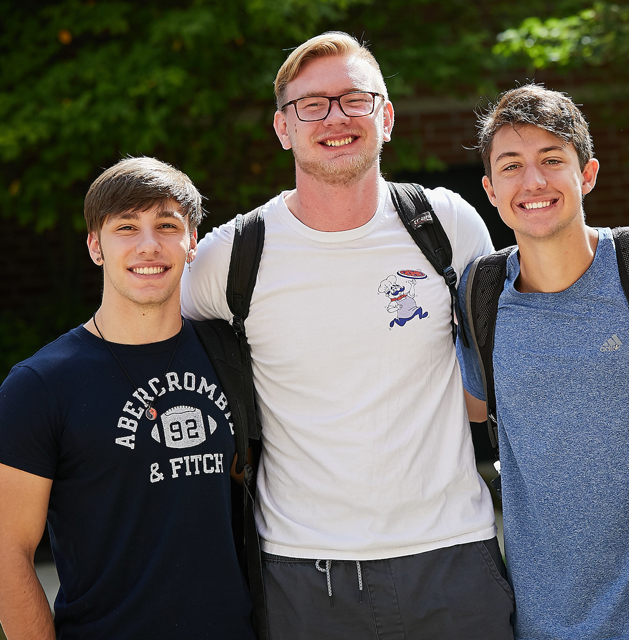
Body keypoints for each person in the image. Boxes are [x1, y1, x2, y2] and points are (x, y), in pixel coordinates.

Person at [180, 32, 513, 639]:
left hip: (454, 557)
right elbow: (144, 338)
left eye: (355, 99)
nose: (335, 118)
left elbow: (508, 353)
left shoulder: (447, 225)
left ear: (385, 116)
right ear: (284, 128)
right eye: (312, 104)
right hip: (304, 573)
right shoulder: (231, 257)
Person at [458, 84, 629, 640]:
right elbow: (469, 407)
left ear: (587, 174)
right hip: (546, 621)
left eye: (552, 160)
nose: (532, 181)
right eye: (511, 166)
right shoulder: (479, 294)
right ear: (490, 189)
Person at [0, 157, 255, 639]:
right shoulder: (40, 385)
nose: (148, 245)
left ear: (192, 241)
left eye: (166, 225)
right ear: (96, 246)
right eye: (126, 227)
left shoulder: (231, 356)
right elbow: (6, 551)